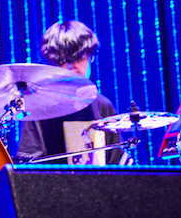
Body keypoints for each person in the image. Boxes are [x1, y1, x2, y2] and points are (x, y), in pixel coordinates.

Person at [15, 20, 122, 164]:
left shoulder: (103, 105)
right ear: (53, 63)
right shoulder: (40, 108)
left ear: (91, 57)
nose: (72, 67)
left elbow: (116, 165)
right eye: (64, 60)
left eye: (78, 58)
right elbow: (31, 165)